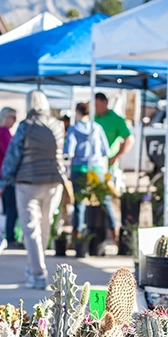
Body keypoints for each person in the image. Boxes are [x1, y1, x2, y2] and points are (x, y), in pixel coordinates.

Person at [0, 90, 66, 290]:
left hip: (28, 182)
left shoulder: (26, 126)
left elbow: (12, 157)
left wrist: (1, 185)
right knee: (44, 226)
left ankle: (38, 273)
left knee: (30, 229)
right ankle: (36, 266)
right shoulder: (58, 125)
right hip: (53, 181)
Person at [64, 102, 111, 236]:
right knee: (104, 200)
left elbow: (69, 151)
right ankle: (115, 231)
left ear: (78, 112)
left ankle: (77, 234)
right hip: (96, 168)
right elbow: (105, 151)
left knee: (79, 203)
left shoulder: (74, 129)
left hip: (79, 168)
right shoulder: (97, 128)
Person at [93, 92, 133, 241]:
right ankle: (100, 234)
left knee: (107, 199)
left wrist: (117, 156)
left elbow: (128, 139)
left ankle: (114, 232)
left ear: (105, 103)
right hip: (94, 166)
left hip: (108, 166)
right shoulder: (93, 117)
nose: (96, 108)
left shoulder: (116, 119)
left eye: (98, 104)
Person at [0, 107, 20, 246]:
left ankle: (3, 235)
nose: (14, 121)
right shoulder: (3, 132)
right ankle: (9, 237)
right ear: (5, 117)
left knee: (4, 207)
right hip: (3, 174)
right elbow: (10, 154)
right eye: (12, 117)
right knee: (11, 206)